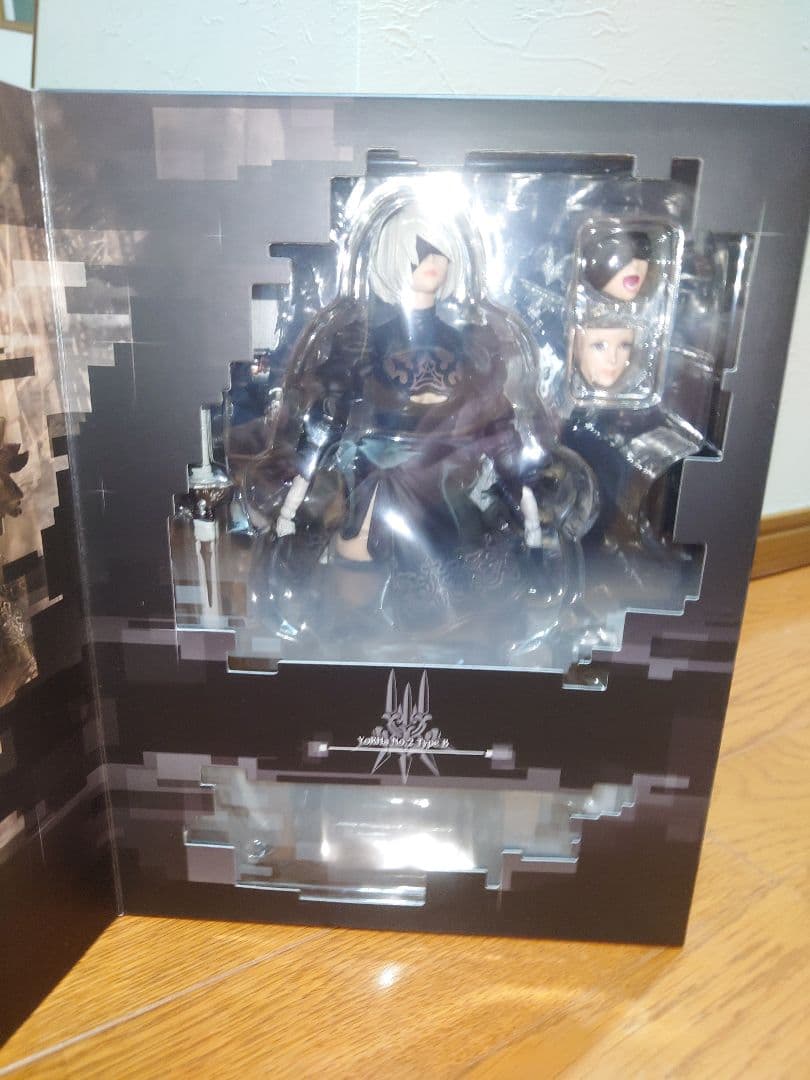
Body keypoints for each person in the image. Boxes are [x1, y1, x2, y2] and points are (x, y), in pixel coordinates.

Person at [247, 187, 594, 650]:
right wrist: (298, 480)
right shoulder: (364, 341)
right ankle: (356, 631)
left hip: (447, 473)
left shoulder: (468, 343)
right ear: (395, 255)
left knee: (454, 562)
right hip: (380, 471)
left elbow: (494, 421)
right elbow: (331, 411)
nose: (435, 262)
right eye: (423, 250)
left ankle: (432, 631)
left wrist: (525, 487)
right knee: (361, 546)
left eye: (441, 252)